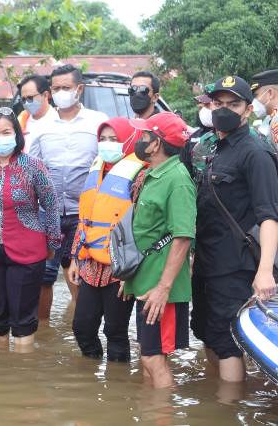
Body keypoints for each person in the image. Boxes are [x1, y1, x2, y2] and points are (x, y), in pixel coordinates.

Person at [191, 76, 278, 383]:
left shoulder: (256, 152)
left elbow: (269, 216)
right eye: (217, 103)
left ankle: (228, 411)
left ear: (247, 110)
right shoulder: (214, 148)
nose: (223, 109)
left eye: (233, 104)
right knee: (206, 331)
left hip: (237, 266)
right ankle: (215, 399)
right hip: (207, 261)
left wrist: (265, 270)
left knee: (227, 341)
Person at [0, 107, 60, 348]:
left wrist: (52, 243)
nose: (1, 138)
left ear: (17, 134)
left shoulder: (34, 166)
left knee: (23, 318)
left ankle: (23, 375)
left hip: (27, 252)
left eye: (6, 132)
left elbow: (51, 206)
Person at [29, 64, 108, 319]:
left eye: (66, 87)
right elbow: (32, 167)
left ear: (79, 89)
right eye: (56, 88)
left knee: (80, 274)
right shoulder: (41, 126)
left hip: (83, 214)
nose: (61, 92)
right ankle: (43, 332)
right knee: (43, 277)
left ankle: (79, 331)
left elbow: (107, 165)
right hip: (47, 213)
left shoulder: (98, 122)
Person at [124, 112, 196, 388]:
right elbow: (147, 231)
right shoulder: (153, 174)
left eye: (144, 136)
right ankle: (153, 412)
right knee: (148, 356)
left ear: (156, 144)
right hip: (146, 280)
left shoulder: (177, 180)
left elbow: (182, 237)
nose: (139, 140)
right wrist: (130, 276)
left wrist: (163, 288)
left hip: (161, 288)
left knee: (155, 359)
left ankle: (164, 414)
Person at [69, 117, 143, 362]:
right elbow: (85, 217)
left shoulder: (141, 174)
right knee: (82, 327)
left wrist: (133, 272)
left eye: (115, 139)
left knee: (115, 330)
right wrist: (74, 258)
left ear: (130, 141)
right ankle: (91, 382)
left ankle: (118, 386)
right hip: (91, 262)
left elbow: (145, 225)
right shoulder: (96, 167)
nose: (107, 144)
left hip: (121, 265)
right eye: (103, 139)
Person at [17, 74, 59, 153]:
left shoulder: (59, 120)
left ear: (45, 95)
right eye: (23, 99)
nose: (26, 103)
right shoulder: (20, 121)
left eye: (30, 98)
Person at [251, 69, 278, 150]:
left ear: (270, 93)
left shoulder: (276, 120)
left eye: (256, 95)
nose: (253, 101)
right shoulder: (272, 117)